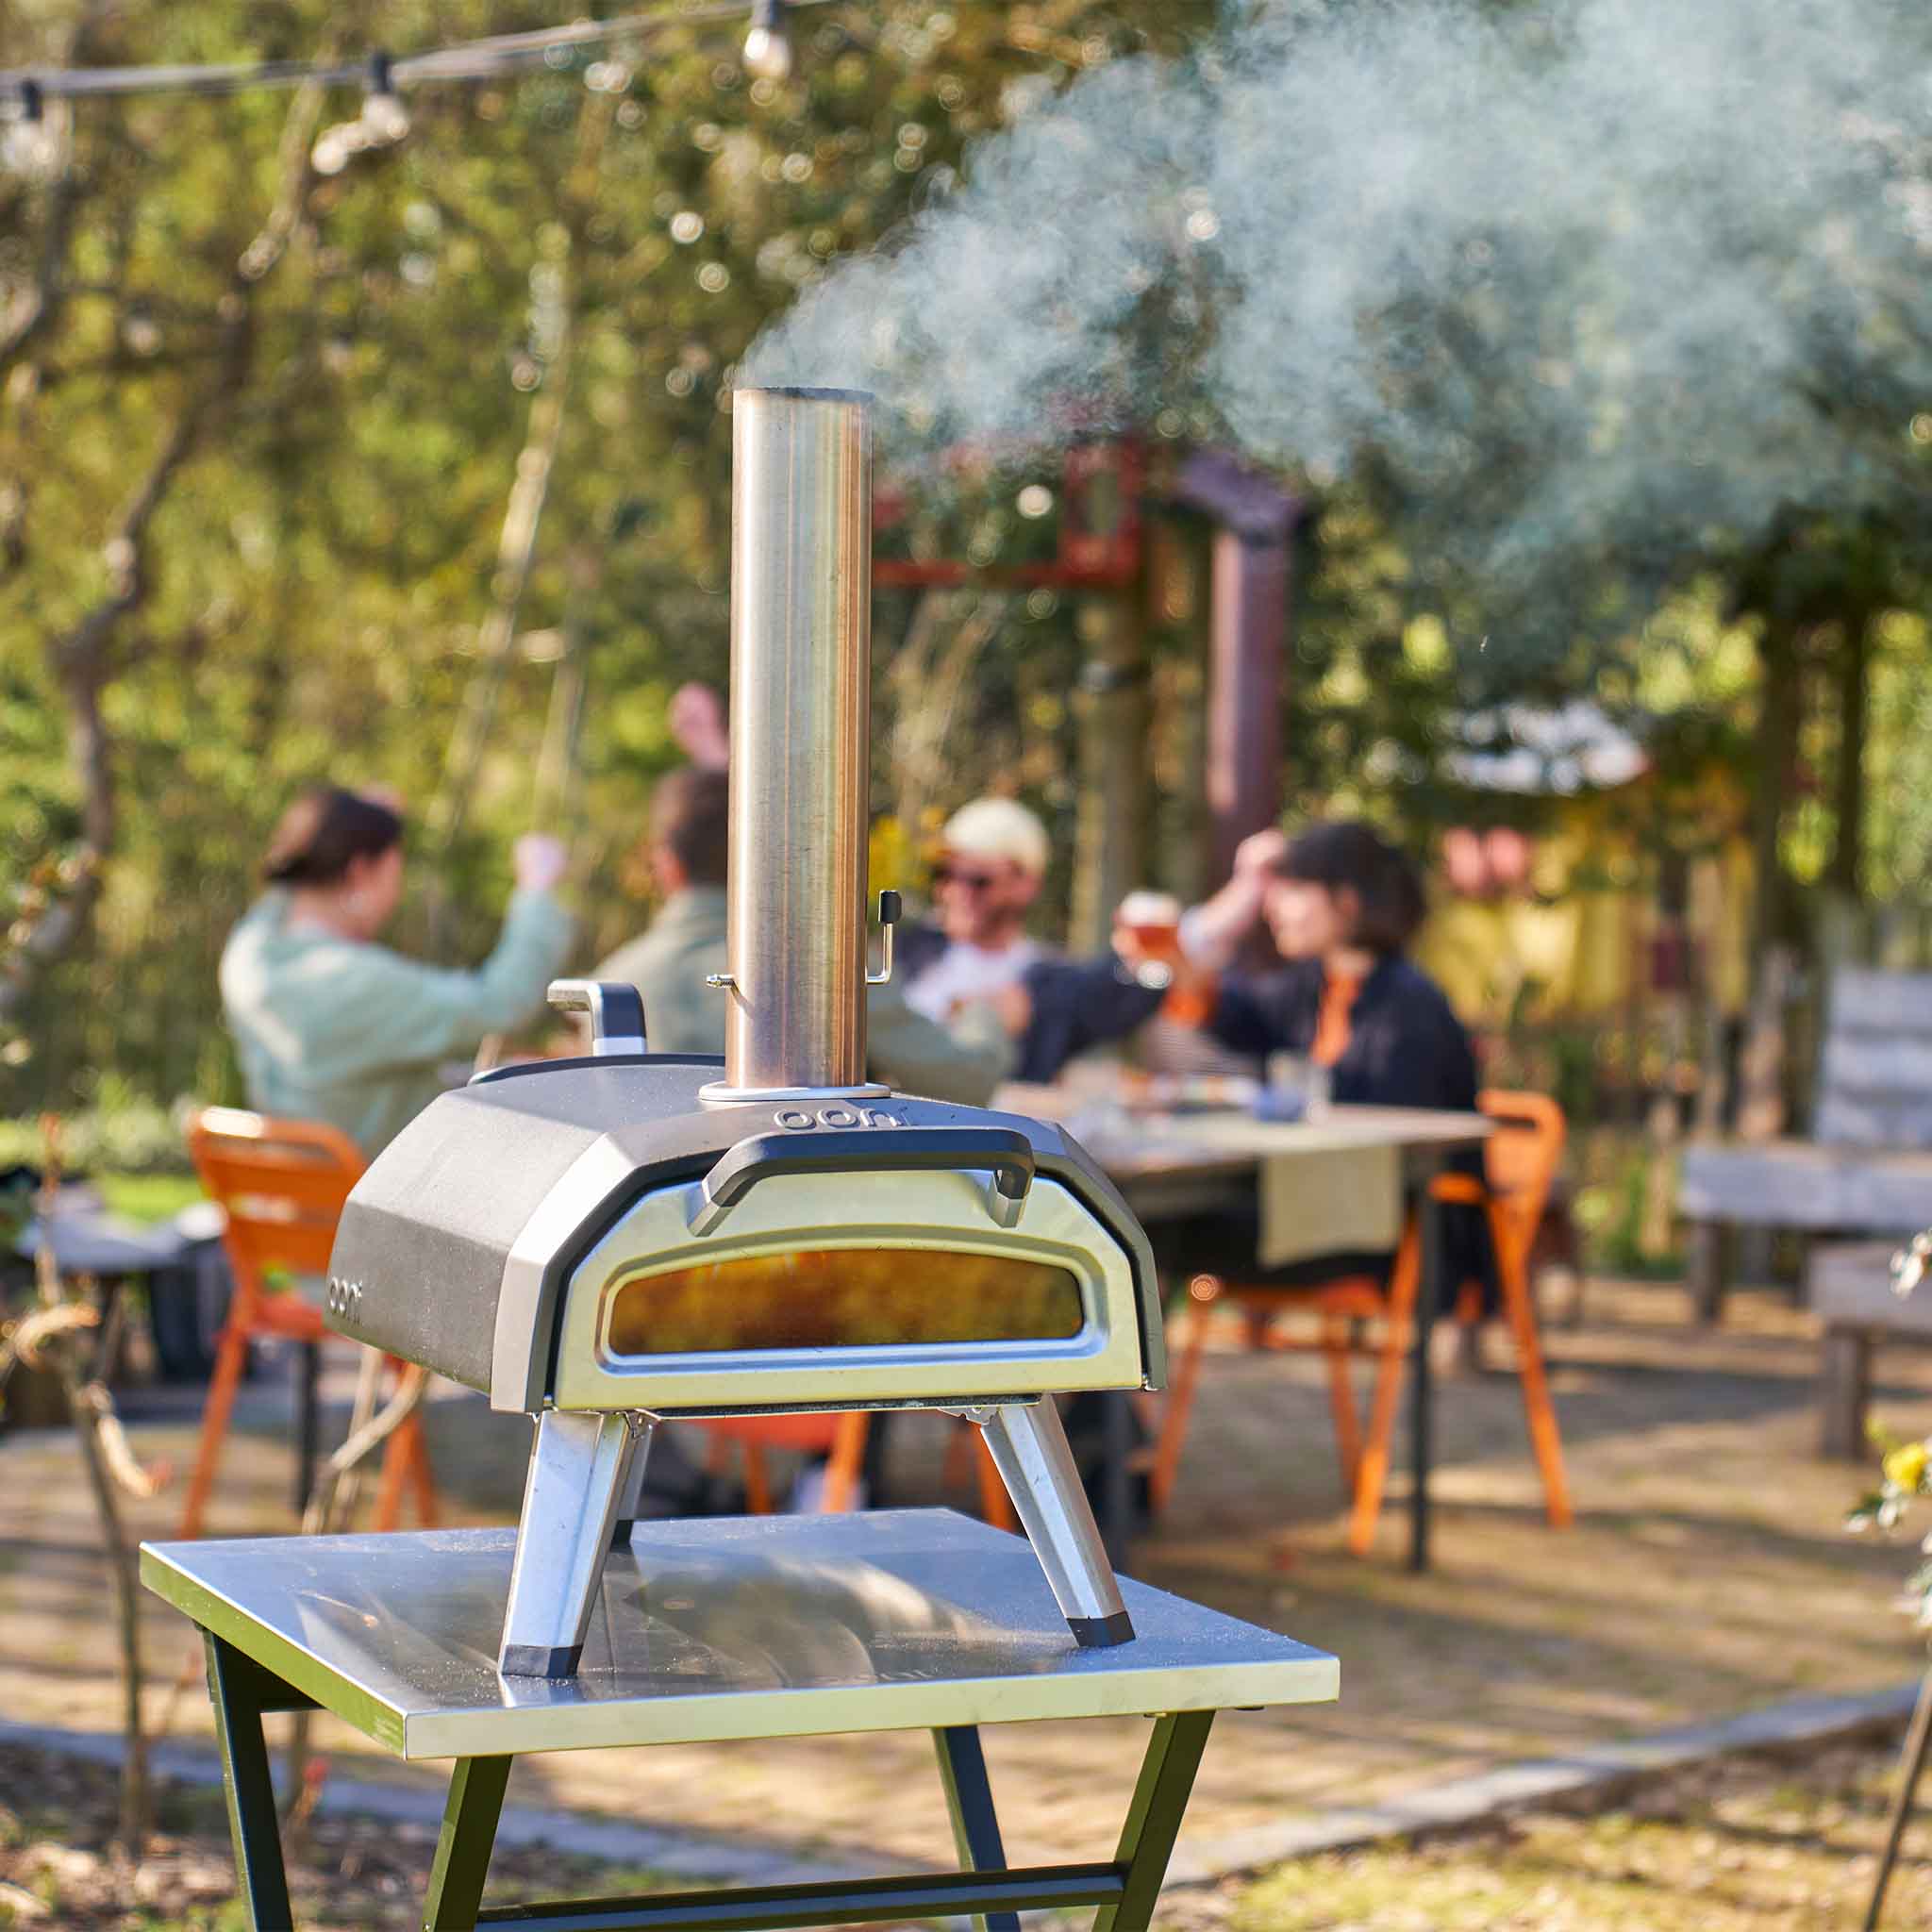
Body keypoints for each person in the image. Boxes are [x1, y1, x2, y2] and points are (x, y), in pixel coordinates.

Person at [593, 767, 1013, 1105]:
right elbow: (964, 1082)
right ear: (769, 854)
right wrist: (987, 1015)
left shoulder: (611, 985)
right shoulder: (827, 965)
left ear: (668, 865)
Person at [221, 788, 574, 1155]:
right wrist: (536, 891)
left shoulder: (248, 962)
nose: (396, 895)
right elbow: (501, 1003)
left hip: (294, 1196)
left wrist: (327, 830)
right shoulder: (354, 982)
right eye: (394, 875)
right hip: (376, 1197)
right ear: (360, 872)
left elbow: (273, 905)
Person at [899, 798, 1053, 1026]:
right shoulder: (900, 951)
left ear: (1026, 885)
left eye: (979, 881)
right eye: (945, 874)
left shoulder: (1047, 984)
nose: (954, 892)